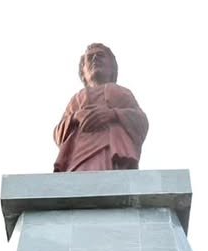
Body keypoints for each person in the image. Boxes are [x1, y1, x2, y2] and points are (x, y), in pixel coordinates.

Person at [53, 44, 149, 173]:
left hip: (111, 151)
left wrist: (113, 115)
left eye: (100, 56)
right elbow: (58, 134)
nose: (94, 60)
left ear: (112, 67)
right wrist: (75, 117)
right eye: (90, 58)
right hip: (78, 157)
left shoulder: (121, 92)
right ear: (83, 70)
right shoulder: (77, 99)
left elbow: (141, 122)